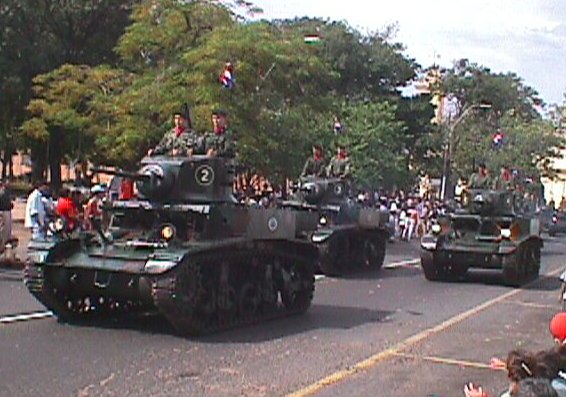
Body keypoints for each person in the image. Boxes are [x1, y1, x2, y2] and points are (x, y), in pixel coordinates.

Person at [0, 180, 13, 250]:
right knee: (4, 229)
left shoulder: (7, 192)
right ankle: (3, 244)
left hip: (7, 211)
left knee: (8, 229)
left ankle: (6, 243)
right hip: (3, 212)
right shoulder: (2, 192)